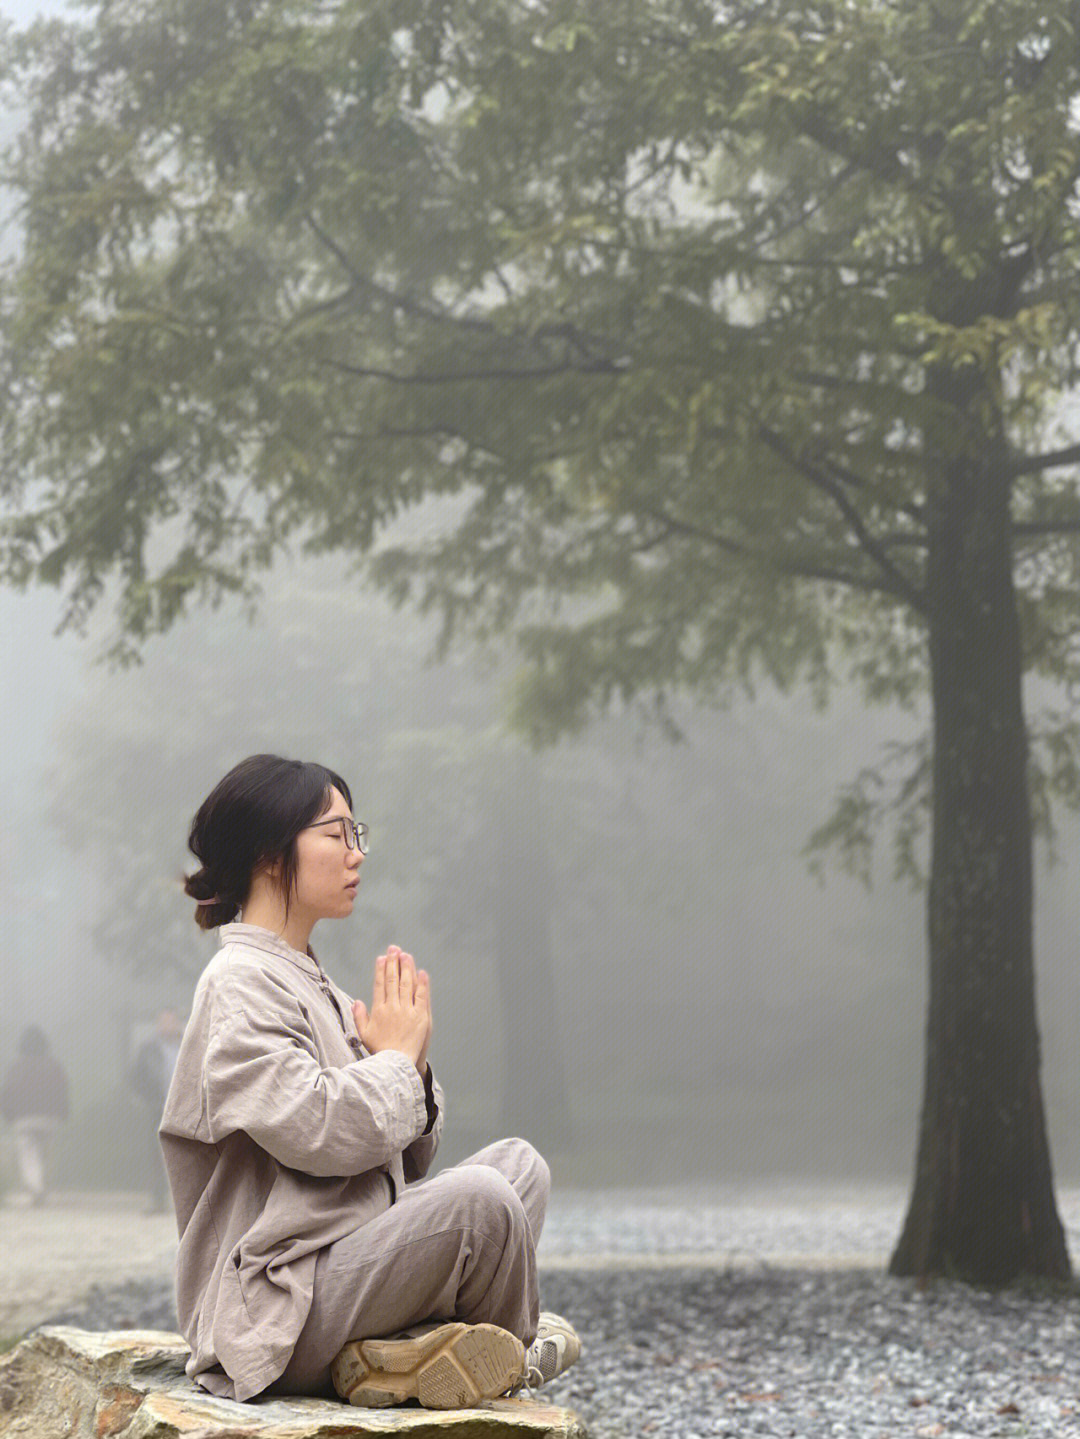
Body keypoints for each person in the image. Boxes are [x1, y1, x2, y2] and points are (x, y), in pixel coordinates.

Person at [160, 753, 580, 1407]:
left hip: (344, 1256)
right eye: (337, 834)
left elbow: (403, 1154)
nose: (357, 854)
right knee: (486, 1201)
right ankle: (505, 1361)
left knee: (520, 1165)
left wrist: (407, 1063)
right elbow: (319, 1131)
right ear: (271, 853)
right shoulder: (240, 980)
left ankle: (412, 1352)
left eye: (359, 834)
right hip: (280, 1300)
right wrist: (394, 1061)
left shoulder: (307, 976)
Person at [1, 1025, 70, 1206]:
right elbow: (61, 1091)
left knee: (28, 1154)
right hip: (48, 1118)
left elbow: (8, 1093)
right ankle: (43, 1186)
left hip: (23, 1118)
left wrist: (9, 1115)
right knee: (46, 1153)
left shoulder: (16, 1067)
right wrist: (63, 1113)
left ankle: (35, 1187)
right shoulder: (53, 1066)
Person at [127, 1009, 184, 1212]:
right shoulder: (148, 1049)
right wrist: (147, 1098)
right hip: (158, 1107)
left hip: (186, 1108)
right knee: (157, 1154)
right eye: (164, 1022)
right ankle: (158, 1199)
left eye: (171, 1022)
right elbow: (136, 1077)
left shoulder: (188, 1046)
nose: (168, 1026)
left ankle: (189, 1202)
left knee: (187, 1153)